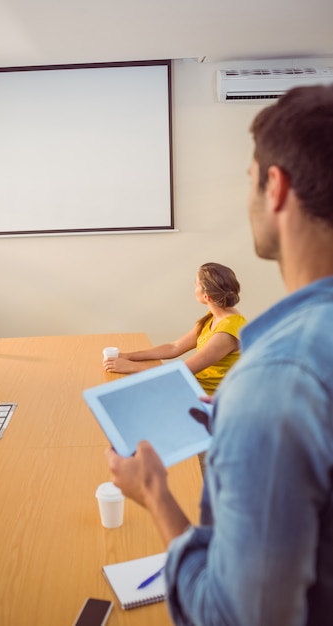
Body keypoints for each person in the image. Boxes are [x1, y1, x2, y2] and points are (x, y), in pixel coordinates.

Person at [106, 84, 333, 626]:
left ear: (274, 188)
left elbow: (235, 617)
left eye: (249, 182)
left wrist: (155, 493)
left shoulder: (275, 381)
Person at [103, 262, 247, 395]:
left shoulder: (226, 332)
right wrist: (128, 356)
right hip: (192, 385)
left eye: (196, 284)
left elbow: (182, 371)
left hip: (205, 396)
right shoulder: (214, 317)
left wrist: (130, 367)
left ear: (206, 296)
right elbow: (174, 347)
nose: (193, 287)